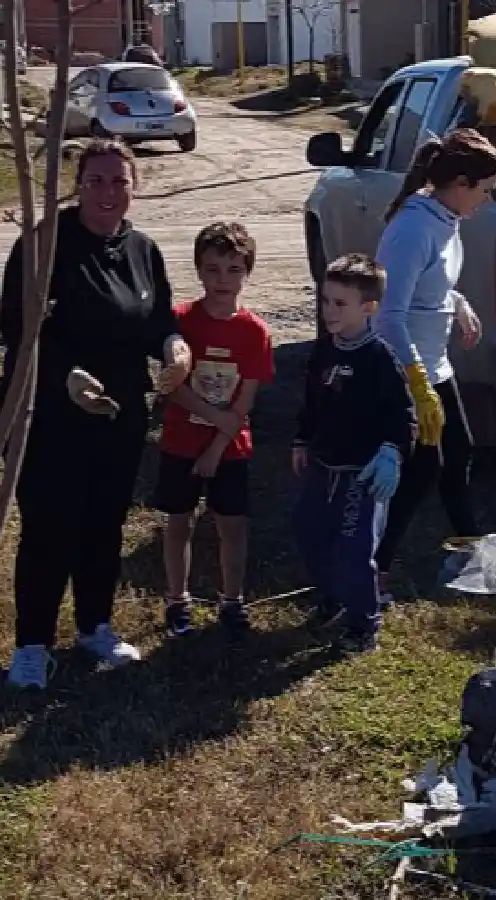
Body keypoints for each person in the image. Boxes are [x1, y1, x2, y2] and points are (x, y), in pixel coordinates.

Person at [0, 138, 193, 689]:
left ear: (135, 186)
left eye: (119, 181)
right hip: (49, 416)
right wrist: (65, 374)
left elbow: (157, 319)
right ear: (78, 186)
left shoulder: (143, 250)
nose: (108, 192)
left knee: (104, 522)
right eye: (96, 181)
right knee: (49, 528)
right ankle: (32, 646)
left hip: (118, 414)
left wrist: (175, 346)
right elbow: (15, 325)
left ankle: (95, 626)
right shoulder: (45, 245)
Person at [373, 128, 496, 597]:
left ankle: (471, 548)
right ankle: (373, 566)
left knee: (459, 452)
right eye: (485, 190)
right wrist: (415, 381)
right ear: (460, 183)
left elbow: (433, 283)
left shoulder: (447, 218)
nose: (487, 200)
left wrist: (459, 303)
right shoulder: (412, 229)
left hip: (435, 366)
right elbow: (388, 314)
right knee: (423, 467)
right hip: (405, 368)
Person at [154, 222, 274, 639]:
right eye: (213, 269)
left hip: (229, 448)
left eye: (234, 270)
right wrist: (211, 414)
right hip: (180, 441)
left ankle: (232, 599)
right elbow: (172, 386)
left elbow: (245, 399)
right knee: (178, 522)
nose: (223, 279)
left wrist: (217, 445)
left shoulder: (255, 331)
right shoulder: (180, 321)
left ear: (247, 273)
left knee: (232, 525)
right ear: (199, 271)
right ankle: (177, 599)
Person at [292, 253, 416, 655]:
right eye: (325, 300)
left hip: (361, 475)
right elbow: (311, 403)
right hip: (321, 466)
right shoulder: (323, 351)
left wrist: (392, 451)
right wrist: (301, 440)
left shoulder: (380, 359)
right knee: (311, 535)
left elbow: (403, 414)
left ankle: (364, 623)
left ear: (369, 307)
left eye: (340, 303)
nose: (329, 310)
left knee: (354, 549)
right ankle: (333, 598)